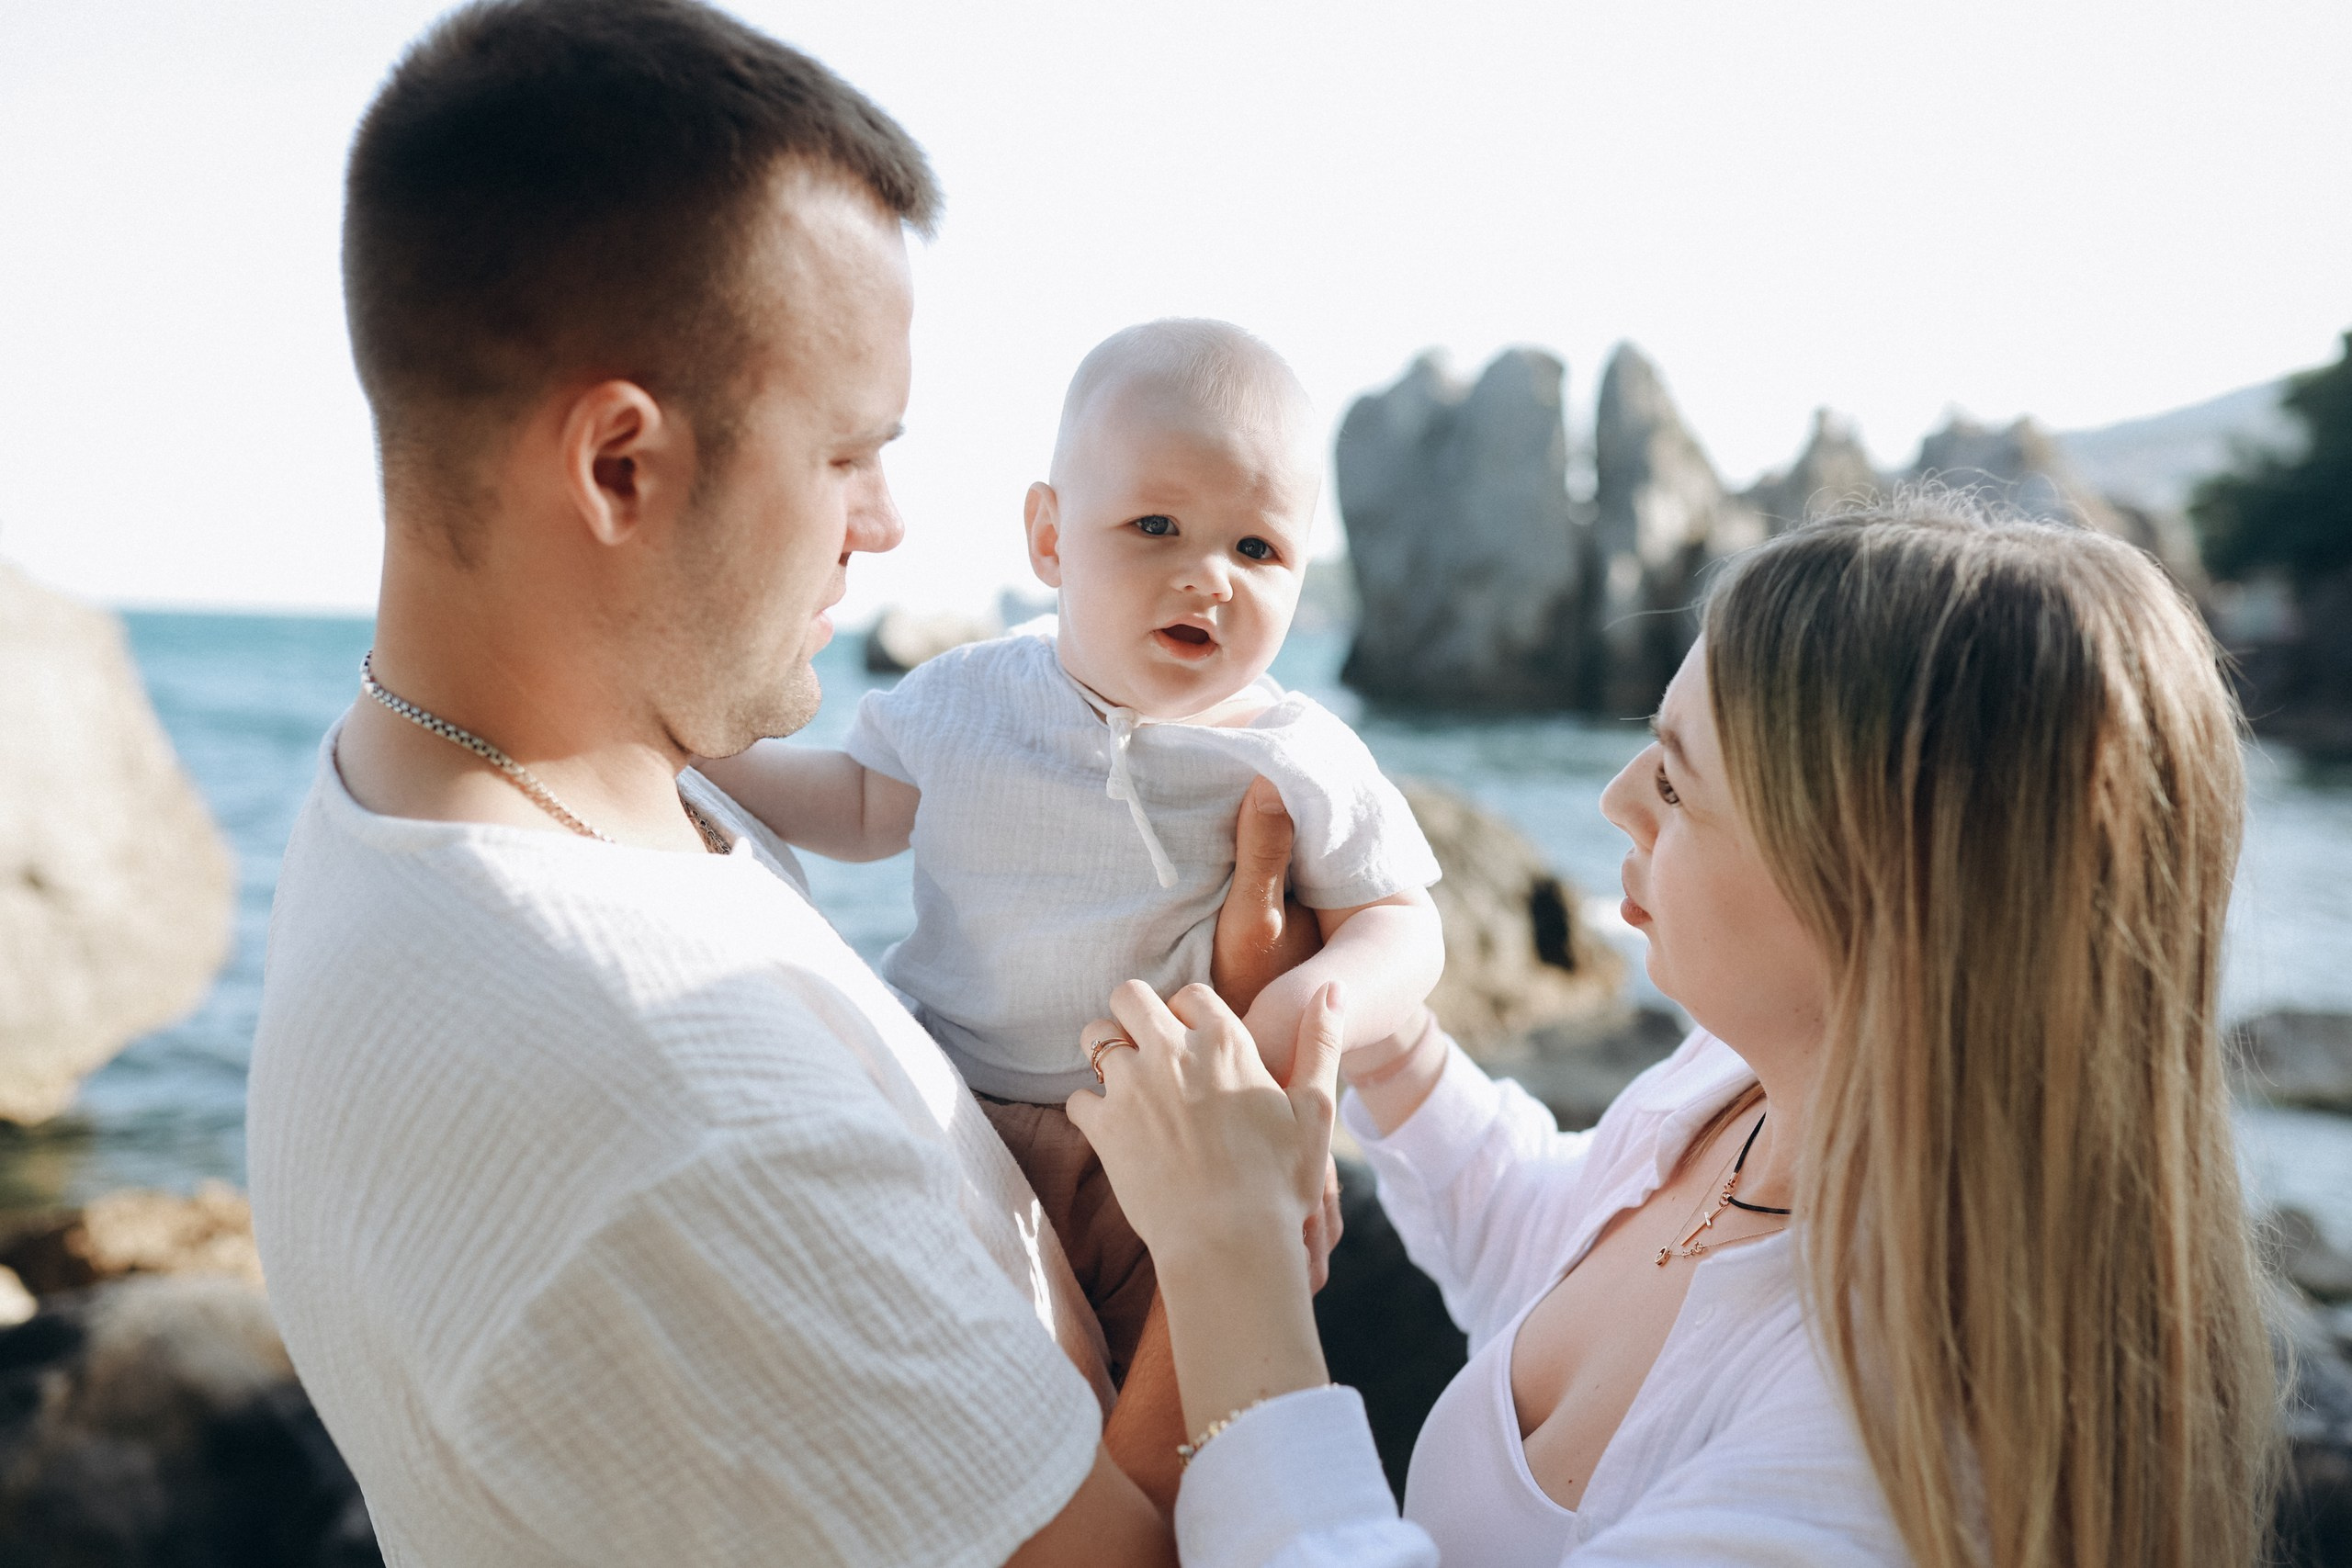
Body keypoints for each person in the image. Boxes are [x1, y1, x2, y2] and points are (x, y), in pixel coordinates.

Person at [244, 2, 1330, 1562]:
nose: (883, 523)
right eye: (845, 453)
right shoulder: (664, 1103)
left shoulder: (445, 783)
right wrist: (1241, 1216)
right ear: (621, 464)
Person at [1075, 498, 2283, 1567]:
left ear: (1882, 886)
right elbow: (1542, 1235)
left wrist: (1227, 1250)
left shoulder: (1898, 1439)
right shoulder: (1744, 1092)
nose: (1615, 800)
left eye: (1676, 781)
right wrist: (1376, 1035)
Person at [701, 318, 1444, 1382]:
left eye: (1256, 548)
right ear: (1049, 537)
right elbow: (861, 805)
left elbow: (1404, 921)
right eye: (1156, 526)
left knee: (1173, 1406)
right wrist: (695, 752)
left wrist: (1312, 1002)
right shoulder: (972, 698)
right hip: (953, 1110)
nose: (1209, 577)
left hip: (1167, 1147)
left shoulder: (1297, 754)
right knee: (955, 1382)